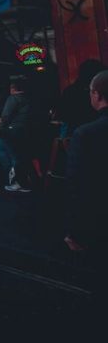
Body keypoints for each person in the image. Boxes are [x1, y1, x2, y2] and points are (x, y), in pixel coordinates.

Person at [65, 70, 108, 289]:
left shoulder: (86, 134)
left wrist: (76, 231)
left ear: (97, 95)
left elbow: (77, 186)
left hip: (99, 222)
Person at [0, 76, 34, 191]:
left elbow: (6, 116)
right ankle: (14, 178)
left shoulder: (13, 98)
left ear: (12, 89)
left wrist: (1, 125)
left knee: (15, 157)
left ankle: (19, 182)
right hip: (24, 131)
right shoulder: (28, 98)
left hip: (12, 131)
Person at [56, 60, 106, 136]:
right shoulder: (97, 90)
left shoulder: (70, 91)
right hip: (92, 132)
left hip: (75, 133)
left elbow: (62, 116)